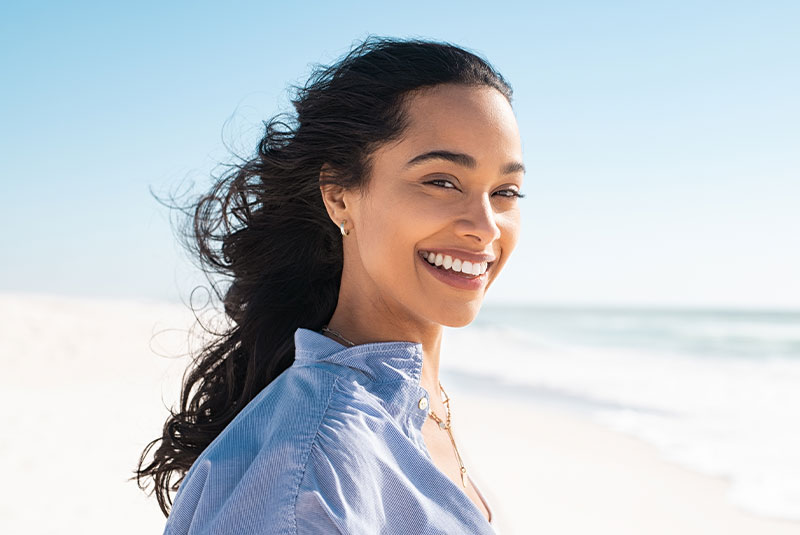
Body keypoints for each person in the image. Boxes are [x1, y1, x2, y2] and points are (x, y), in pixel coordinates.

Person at [136, 36, 525, 534]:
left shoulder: (412, 404)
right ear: (339, 196)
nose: (486, 226)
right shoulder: (313, 471)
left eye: (505, 191)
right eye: (441, 181)